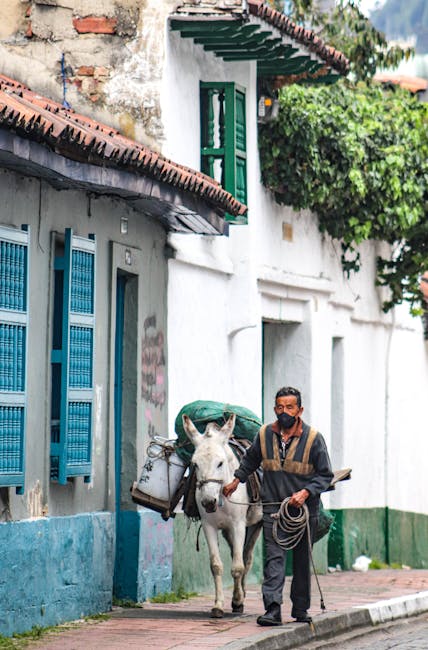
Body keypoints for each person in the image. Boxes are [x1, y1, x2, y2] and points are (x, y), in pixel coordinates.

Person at [223, 386, 333, 626]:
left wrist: (305, 493)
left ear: (300, 410)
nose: (284, 412)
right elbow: (251, 459)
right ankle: (272, 609)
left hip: (304, 513)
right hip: (274, 509)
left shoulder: (314, 439)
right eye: (280, 407)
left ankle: (300, 609)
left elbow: (325, 475)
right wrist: (236, 480)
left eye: (290, 407)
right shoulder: (264, 435)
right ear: (275, 409)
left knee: (302, 562)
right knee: (274, 559)